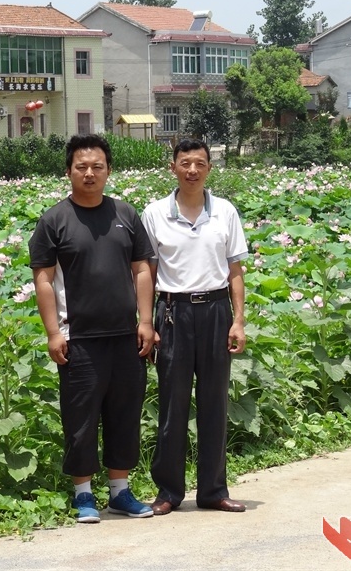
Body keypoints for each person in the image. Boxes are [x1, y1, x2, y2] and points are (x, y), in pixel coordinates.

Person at [28, 134, 156, 523]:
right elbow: (44, 280)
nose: (89, 173)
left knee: (124, 413)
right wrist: (53, 332)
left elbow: (142, 270)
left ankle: (120, 491)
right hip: (78, 338)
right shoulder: (54, 220)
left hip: (125, 336)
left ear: (108, 171)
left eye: (97, 167)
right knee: (80, 417)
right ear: (68, 171)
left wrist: (146, 321)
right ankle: (83, 494)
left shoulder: (125, 214)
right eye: (81, 167)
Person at [141, 138, 248, 515]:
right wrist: (145, 323)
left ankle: (213, 490)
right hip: (173, 312)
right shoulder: (154, 213)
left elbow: (235, 270)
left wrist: (238, 320)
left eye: (199, 164)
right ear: (173, 167)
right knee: (173, 404)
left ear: (209, 169)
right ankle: (169, 492)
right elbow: (147, 273)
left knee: (215, 402)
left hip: (217, 310)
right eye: (185, 163)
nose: (192, 170)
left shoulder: (225, 212)